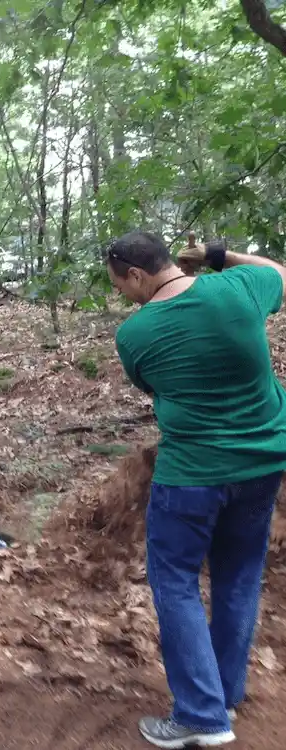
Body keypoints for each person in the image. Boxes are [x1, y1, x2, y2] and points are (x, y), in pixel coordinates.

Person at [105, 230, 286, 748]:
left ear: (136, 275)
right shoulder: (240, 289)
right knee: (239, 577)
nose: (122, 294)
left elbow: (153, 387)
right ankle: (224, 693)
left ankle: (201, 716)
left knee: (176, 581)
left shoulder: (136, 335)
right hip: (263, 462)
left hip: (191, 475)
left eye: (120, 284)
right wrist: (217, 256)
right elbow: (280, 272)